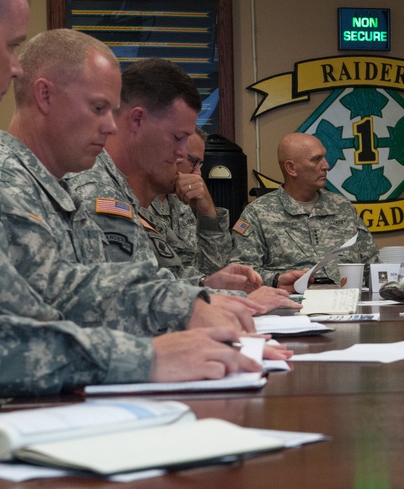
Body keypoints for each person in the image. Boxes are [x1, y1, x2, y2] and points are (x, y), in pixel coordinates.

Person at [0, 1, 271, 397]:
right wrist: (144, 357)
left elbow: (53, 287)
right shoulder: (1, 176)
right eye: (12, 46)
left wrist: (181, 303)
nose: (16, 67)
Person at [0, 28, 266, 336]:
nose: (109, 125)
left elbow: (99, 293)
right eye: (99, 108)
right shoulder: (0, 184)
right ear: (45, 95)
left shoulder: (54, 186)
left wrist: (203, 292)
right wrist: (150, 357)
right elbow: (36, 329)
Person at [64, 58, 299, 308]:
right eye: (177, 138)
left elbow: (151, 281)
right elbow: (129, 301)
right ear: (137, 120)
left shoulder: (123, 190)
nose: (180, 154)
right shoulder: (95, 192)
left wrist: (205, 285)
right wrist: (241, 300)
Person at [230, 132, 380, 286]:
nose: (326, 166)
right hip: (293, 304)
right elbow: (241, 272)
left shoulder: (342, 207)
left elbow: (372, 265)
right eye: (317, 160)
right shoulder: (257, 213)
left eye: (324, 157)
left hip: (348, 301)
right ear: (291, 168)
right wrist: (276, 280)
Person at [143, 126, 233, 276]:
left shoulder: (182, 202)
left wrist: (208, 214)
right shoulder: (135, 201)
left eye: (201, 164)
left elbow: (217, 271)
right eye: (193, 161)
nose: (198, 173)